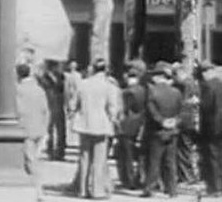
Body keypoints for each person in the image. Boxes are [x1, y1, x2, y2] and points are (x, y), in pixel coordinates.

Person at [72, 58, 119, 199]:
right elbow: (112, 108)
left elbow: (73, 104)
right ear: (105, 70)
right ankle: (97, 190)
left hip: (84, 124)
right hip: (101, 124)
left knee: (84, 158)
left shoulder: (83, 84)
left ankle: (82, 189)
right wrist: (112, 120)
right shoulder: (109, 86)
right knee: (99, 160)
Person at [141, 63, 183, 198]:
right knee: (170, 161)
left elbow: (151, 110)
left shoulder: (152, 91)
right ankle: (172, 190)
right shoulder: (176, 92)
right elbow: (182, 111)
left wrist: (162, 121)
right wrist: (175, 121)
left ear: (158, 77)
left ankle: (150, 188)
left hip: (157, 131)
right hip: (173, 131)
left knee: (154, 161)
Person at [16, 63, 51, 202]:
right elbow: (46, 110)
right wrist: (45, 128)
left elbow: (17, 110)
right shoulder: (39, 90)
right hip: (39, 128)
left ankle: (37, 190)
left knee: (30, 161)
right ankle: (34, 188)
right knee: (34, 158)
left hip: (25, 128)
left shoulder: (18, 90)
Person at [197, 61, 222, 197]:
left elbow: (206, 107)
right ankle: (221, 186)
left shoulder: (207, 86)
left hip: (211, 125)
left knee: (211, 157)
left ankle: (214, 188)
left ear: (206, 72)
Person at [115, 61, 146, 190]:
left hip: (127, 126)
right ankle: (139, 178)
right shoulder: (144, 90)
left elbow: (124, 109)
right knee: (139, 156)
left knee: (125, 156)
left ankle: (128, 180)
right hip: (139, 124)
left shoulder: (127, 92)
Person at [172, 62, 200, 185]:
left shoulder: (185, 84)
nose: (173, 78)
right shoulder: (190, 83)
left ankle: (188, 176)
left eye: (174, 75)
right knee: (184, 150)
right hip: (188, 121)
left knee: (184, 150)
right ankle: (185, 175)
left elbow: (185, 103)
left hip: (185, 122)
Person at [39, 61, 66, 161]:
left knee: (61, 129)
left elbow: (62, 88)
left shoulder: (61, 76)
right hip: (49, 103)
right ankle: (50, 150)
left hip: (59, 104)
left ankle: (60, 151)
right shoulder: (43, 78)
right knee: (50, 129)